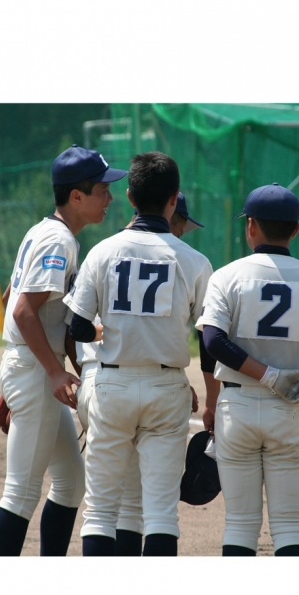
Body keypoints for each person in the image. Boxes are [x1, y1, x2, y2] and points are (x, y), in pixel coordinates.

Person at [65, 151, 213, 556]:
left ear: (129, 196)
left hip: (112, 383)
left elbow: (77, 327)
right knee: (161, 512)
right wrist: (212, 400)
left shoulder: (102, 251)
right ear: (174, 199)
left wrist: (105, 331)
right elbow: (209, 340)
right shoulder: (195, 261)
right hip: (166, 388)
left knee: (100, 511)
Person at [197, 183, 299, 556]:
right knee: (290, 524)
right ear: (295, 230)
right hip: (289, 409)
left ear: (250, 225)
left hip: (238, 408)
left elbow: (213, 341)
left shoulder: (227, 275)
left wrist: (265, 374)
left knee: (239, 524)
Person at [0, 144, 127, 556]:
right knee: (20, 492)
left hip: (31, 365)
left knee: (70, 481)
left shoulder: (46, 231)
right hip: (35, 371)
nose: (110, 197)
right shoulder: (58, 240)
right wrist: (46, 372)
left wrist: (26, 375)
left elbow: (13, 299)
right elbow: (22, 310)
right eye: (103, 189)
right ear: (77, 196)